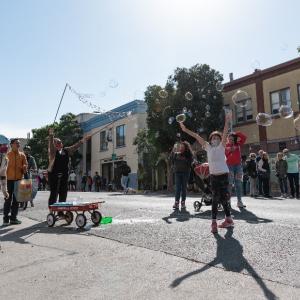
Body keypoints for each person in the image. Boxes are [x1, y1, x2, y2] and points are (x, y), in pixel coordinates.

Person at [180, 112, 233, 233]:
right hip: (213, 177)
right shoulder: (208, 147)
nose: (215, 139)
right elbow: (196, 136)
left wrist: (227, 121)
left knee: (224, 198)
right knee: (215, 199)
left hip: (224, 175)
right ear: (210, 140)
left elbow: (225, 131)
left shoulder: (222, 146)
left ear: (221, 140)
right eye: (213, 138)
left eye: (217, 138)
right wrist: (185, 129)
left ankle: (228, 219)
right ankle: (214, 222)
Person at [47, 128, 90, 207]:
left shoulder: (66, 150)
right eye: (58, 142)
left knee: (63, 192)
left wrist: (83, 140)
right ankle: (52, 209)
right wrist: (51, 134)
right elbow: (50, 144)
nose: (60, 143)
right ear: (55, 144)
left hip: (64, 174)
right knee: (54, 193)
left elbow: (75, 146)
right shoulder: (53, 152)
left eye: (60, 142)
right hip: (53, 174)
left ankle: (61, 211)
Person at [2, 139, 27, 226]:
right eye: (17, 143)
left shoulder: (22, 155)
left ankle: (13, 218)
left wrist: (24, 167)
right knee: (8, 200)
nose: (18, 145)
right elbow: (2, 168)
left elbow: (25, 166)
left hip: (18, 180)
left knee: (16, 200)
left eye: (19, 144)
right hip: (8, 180)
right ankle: (5, 219)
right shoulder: (7, 155)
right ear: (12, 144)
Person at [225, 131, 247, 208]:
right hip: (229, 166)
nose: (231, 140)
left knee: (238, 184)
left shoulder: (238, 144)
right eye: (229, 139)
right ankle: (228, 201)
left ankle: (239, 201)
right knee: (230, 184)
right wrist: (231, 149)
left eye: (232, 139)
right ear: (227, 139)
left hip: (238, 166)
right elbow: (226, 154)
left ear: (234, 139)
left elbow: (244, 138)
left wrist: (236, 133)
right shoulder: (225, 145)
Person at [170, 139, 193, 210]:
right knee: (178, 188)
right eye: (180, 147)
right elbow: (170, 158)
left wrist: (187, 160)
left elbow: (190, 163)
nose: (181, 148)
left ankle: (183, 202)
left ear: (186, 148)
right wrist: (173, 150)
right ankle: (176, 202)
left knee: (183, 188)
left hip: (185, 173)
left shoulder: (188, 155)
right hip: (177, 173)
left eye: (183, 147)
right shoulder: (176, 154)